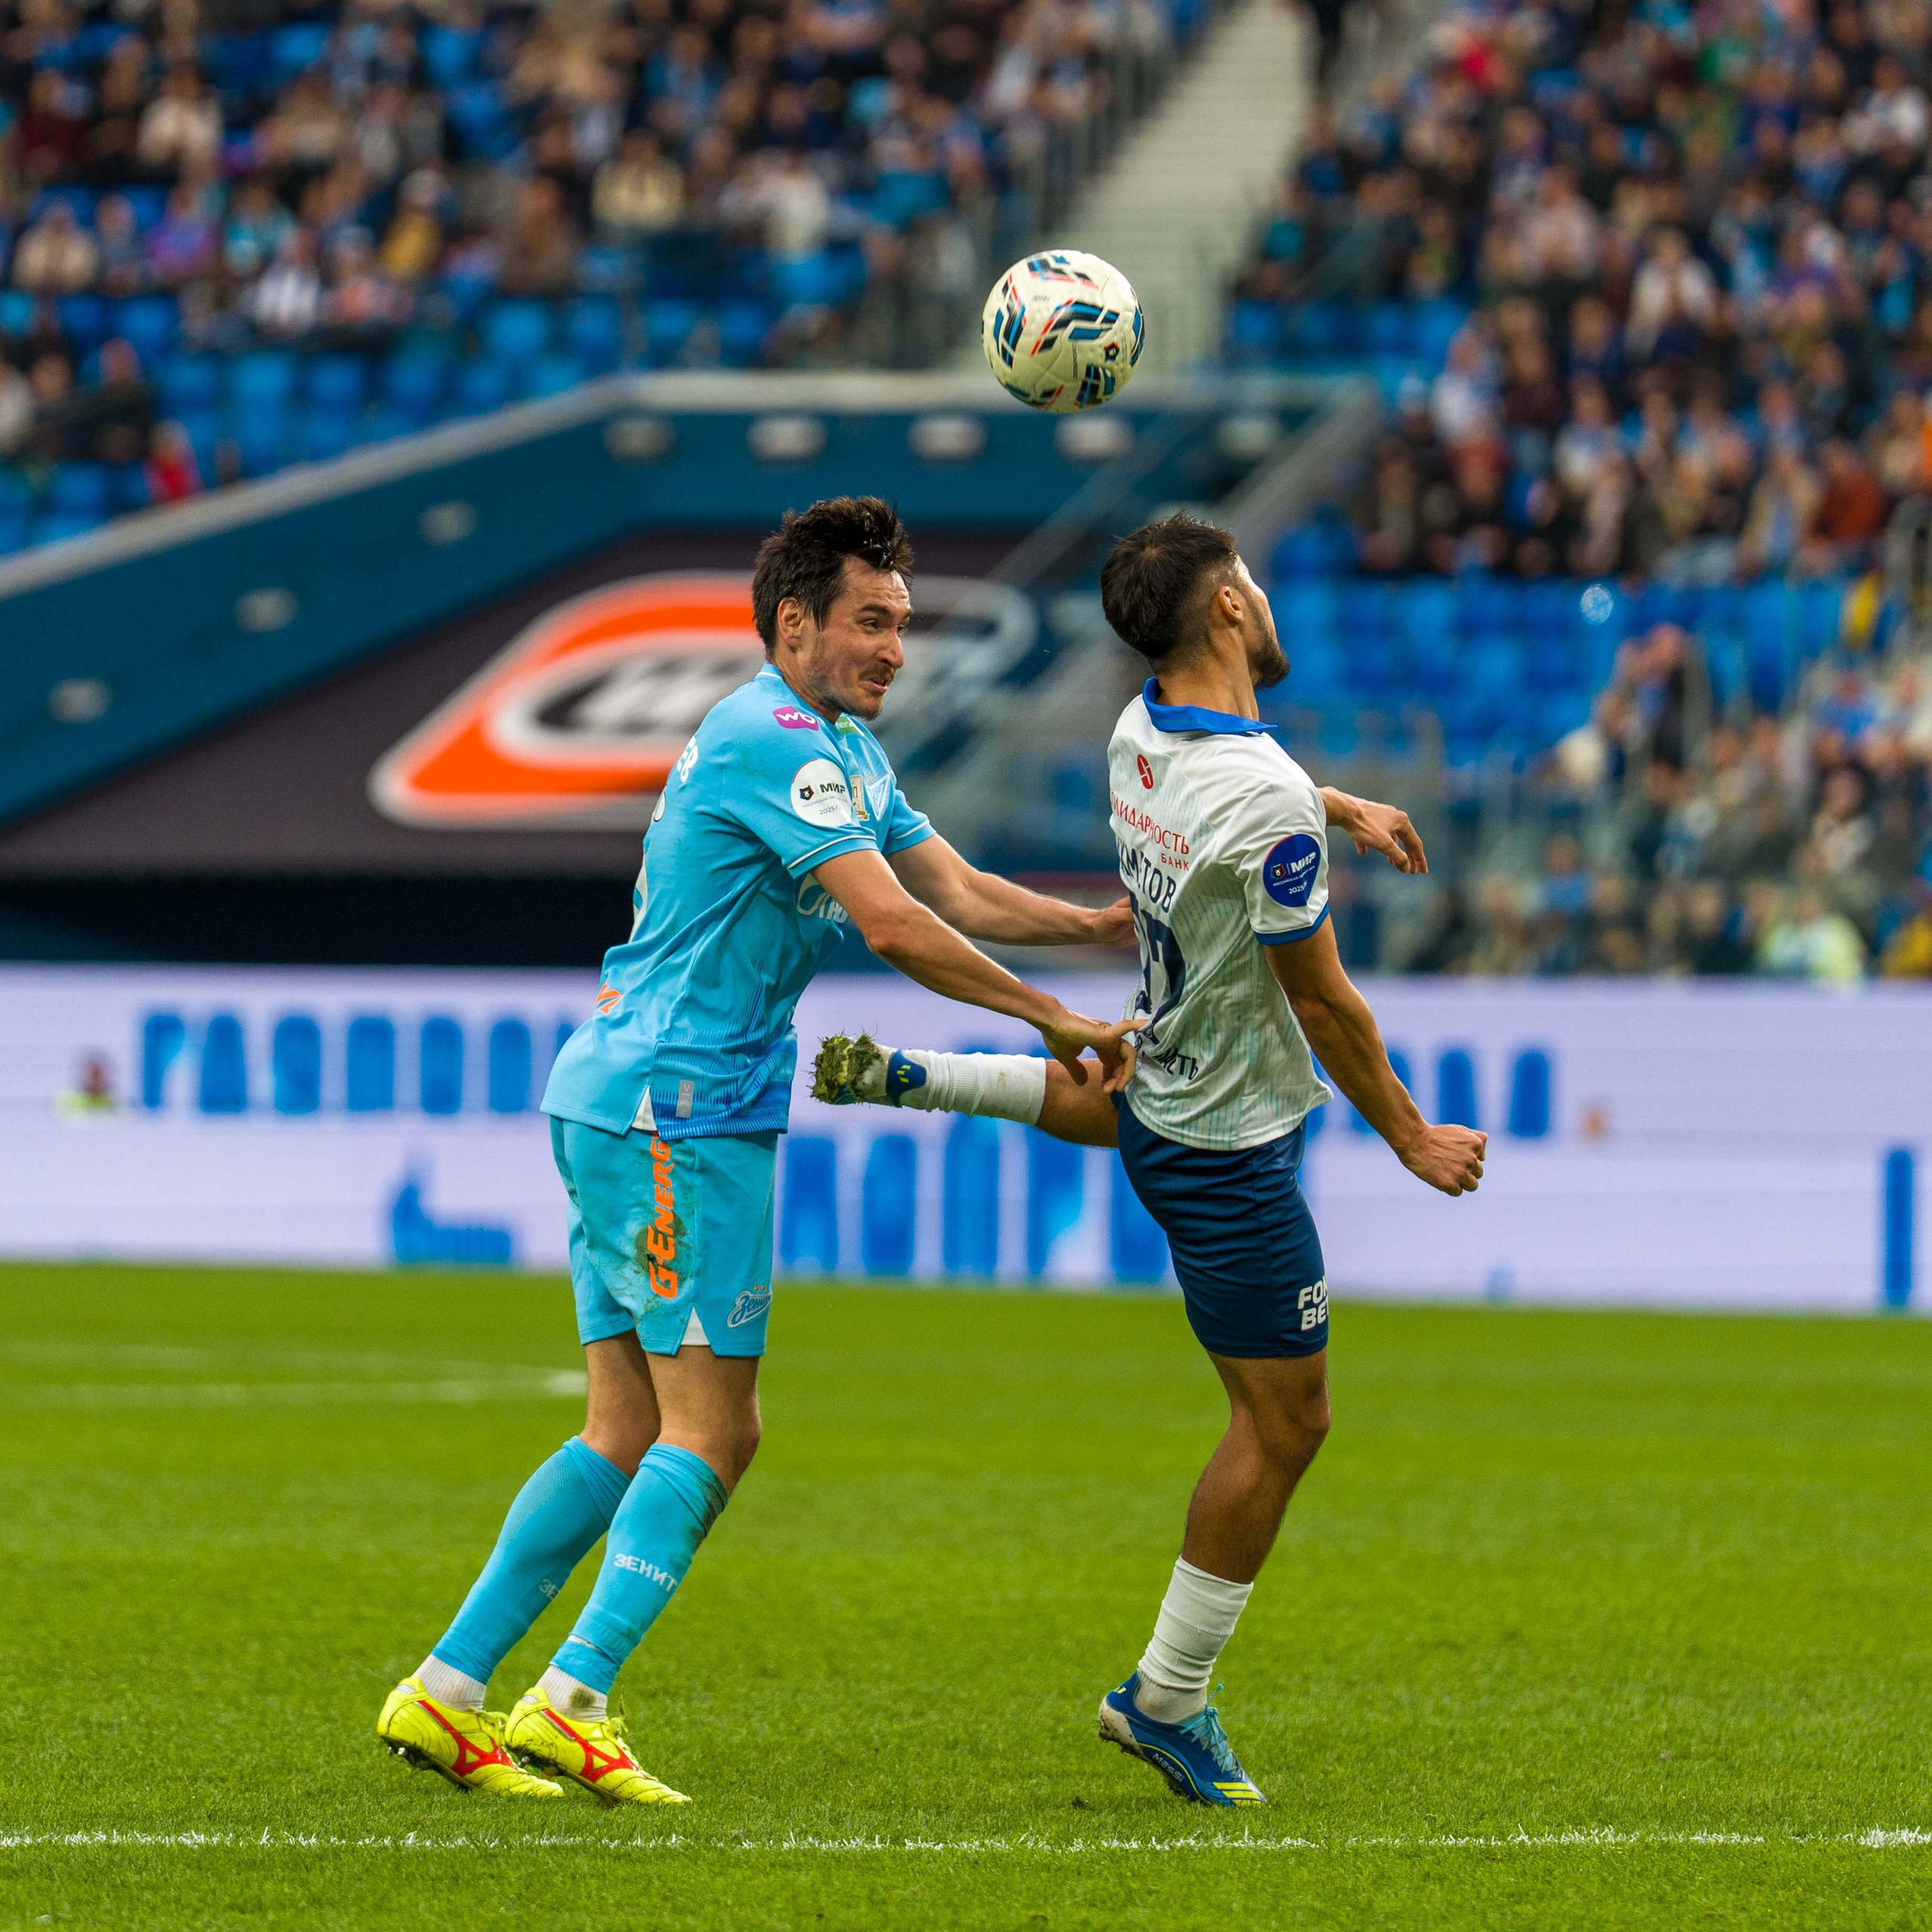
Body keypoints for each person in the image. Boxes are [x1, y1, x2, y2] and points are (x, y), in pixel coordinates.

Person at [374, 497, 1145, 1805]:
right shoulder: (772, 737)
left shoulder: (839, 747)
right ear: (794, 624)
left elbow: (954, 889)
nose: (895, 648)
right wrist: (1051, 1018)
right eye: (871, 622)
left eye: (902, 624)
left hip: (627, 1095)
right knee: (714, 1430)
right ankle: (572, 1700)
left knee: (625, 1426)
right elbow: (893, 926)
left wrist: (1090, 926)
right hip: (681, 1112)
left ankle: (446, 1693)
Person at [814, 512, 1486, 1807]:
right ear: (1228, 605)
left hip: (1170, 1073)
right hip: (1227, 1143)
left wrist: (1332, 804)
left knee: (1133, 1092)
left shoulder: (1141, 730)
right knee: (1286, 1423)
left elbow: (1243, 791)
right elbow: (1325, 1000)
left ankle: (929, 1076)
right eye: (1253, 580)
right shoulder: (1261, 794)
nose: (1265, 597)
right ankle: (1166, 1696)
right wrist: (1410, 1133)